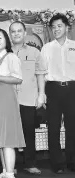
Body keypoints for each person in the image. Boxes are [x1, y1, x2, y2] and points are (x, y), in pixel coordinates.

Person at [0, 28, 26, 178]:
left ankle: (10, 173)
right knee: (0, 138)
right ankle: (4, 171)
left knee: (7, 139)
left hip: (7, 100)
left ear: (6, 40)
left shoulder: (11, 57)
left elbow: (18, 78)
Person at [9, 21, 47, 175]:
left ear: (25, 33)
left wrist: (41, 94)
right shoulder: (4, 52)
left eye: (19, 31)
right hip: (9, 100)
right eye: (13, 31)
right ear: (10, 34)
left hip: (28, 98)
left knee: (28, 132)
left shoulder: (35, 52)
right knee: (11, 134)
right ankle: (13, 164)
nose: (16, 34)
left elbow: (40, 75)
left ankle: (30, 163)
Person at [41, 13, 75, 174]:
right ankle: (57, 163)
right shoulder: (47, 48)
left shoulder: (74, 45)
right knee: (53, 127)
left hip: (72, 88)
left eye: (59, 26)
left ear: (67, 27)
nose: (56, 29)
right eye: (53, 27)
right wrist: (42, 93)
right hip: (53, 88)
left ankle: (72, 161)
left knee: (72, 127)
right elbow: (41, 72)